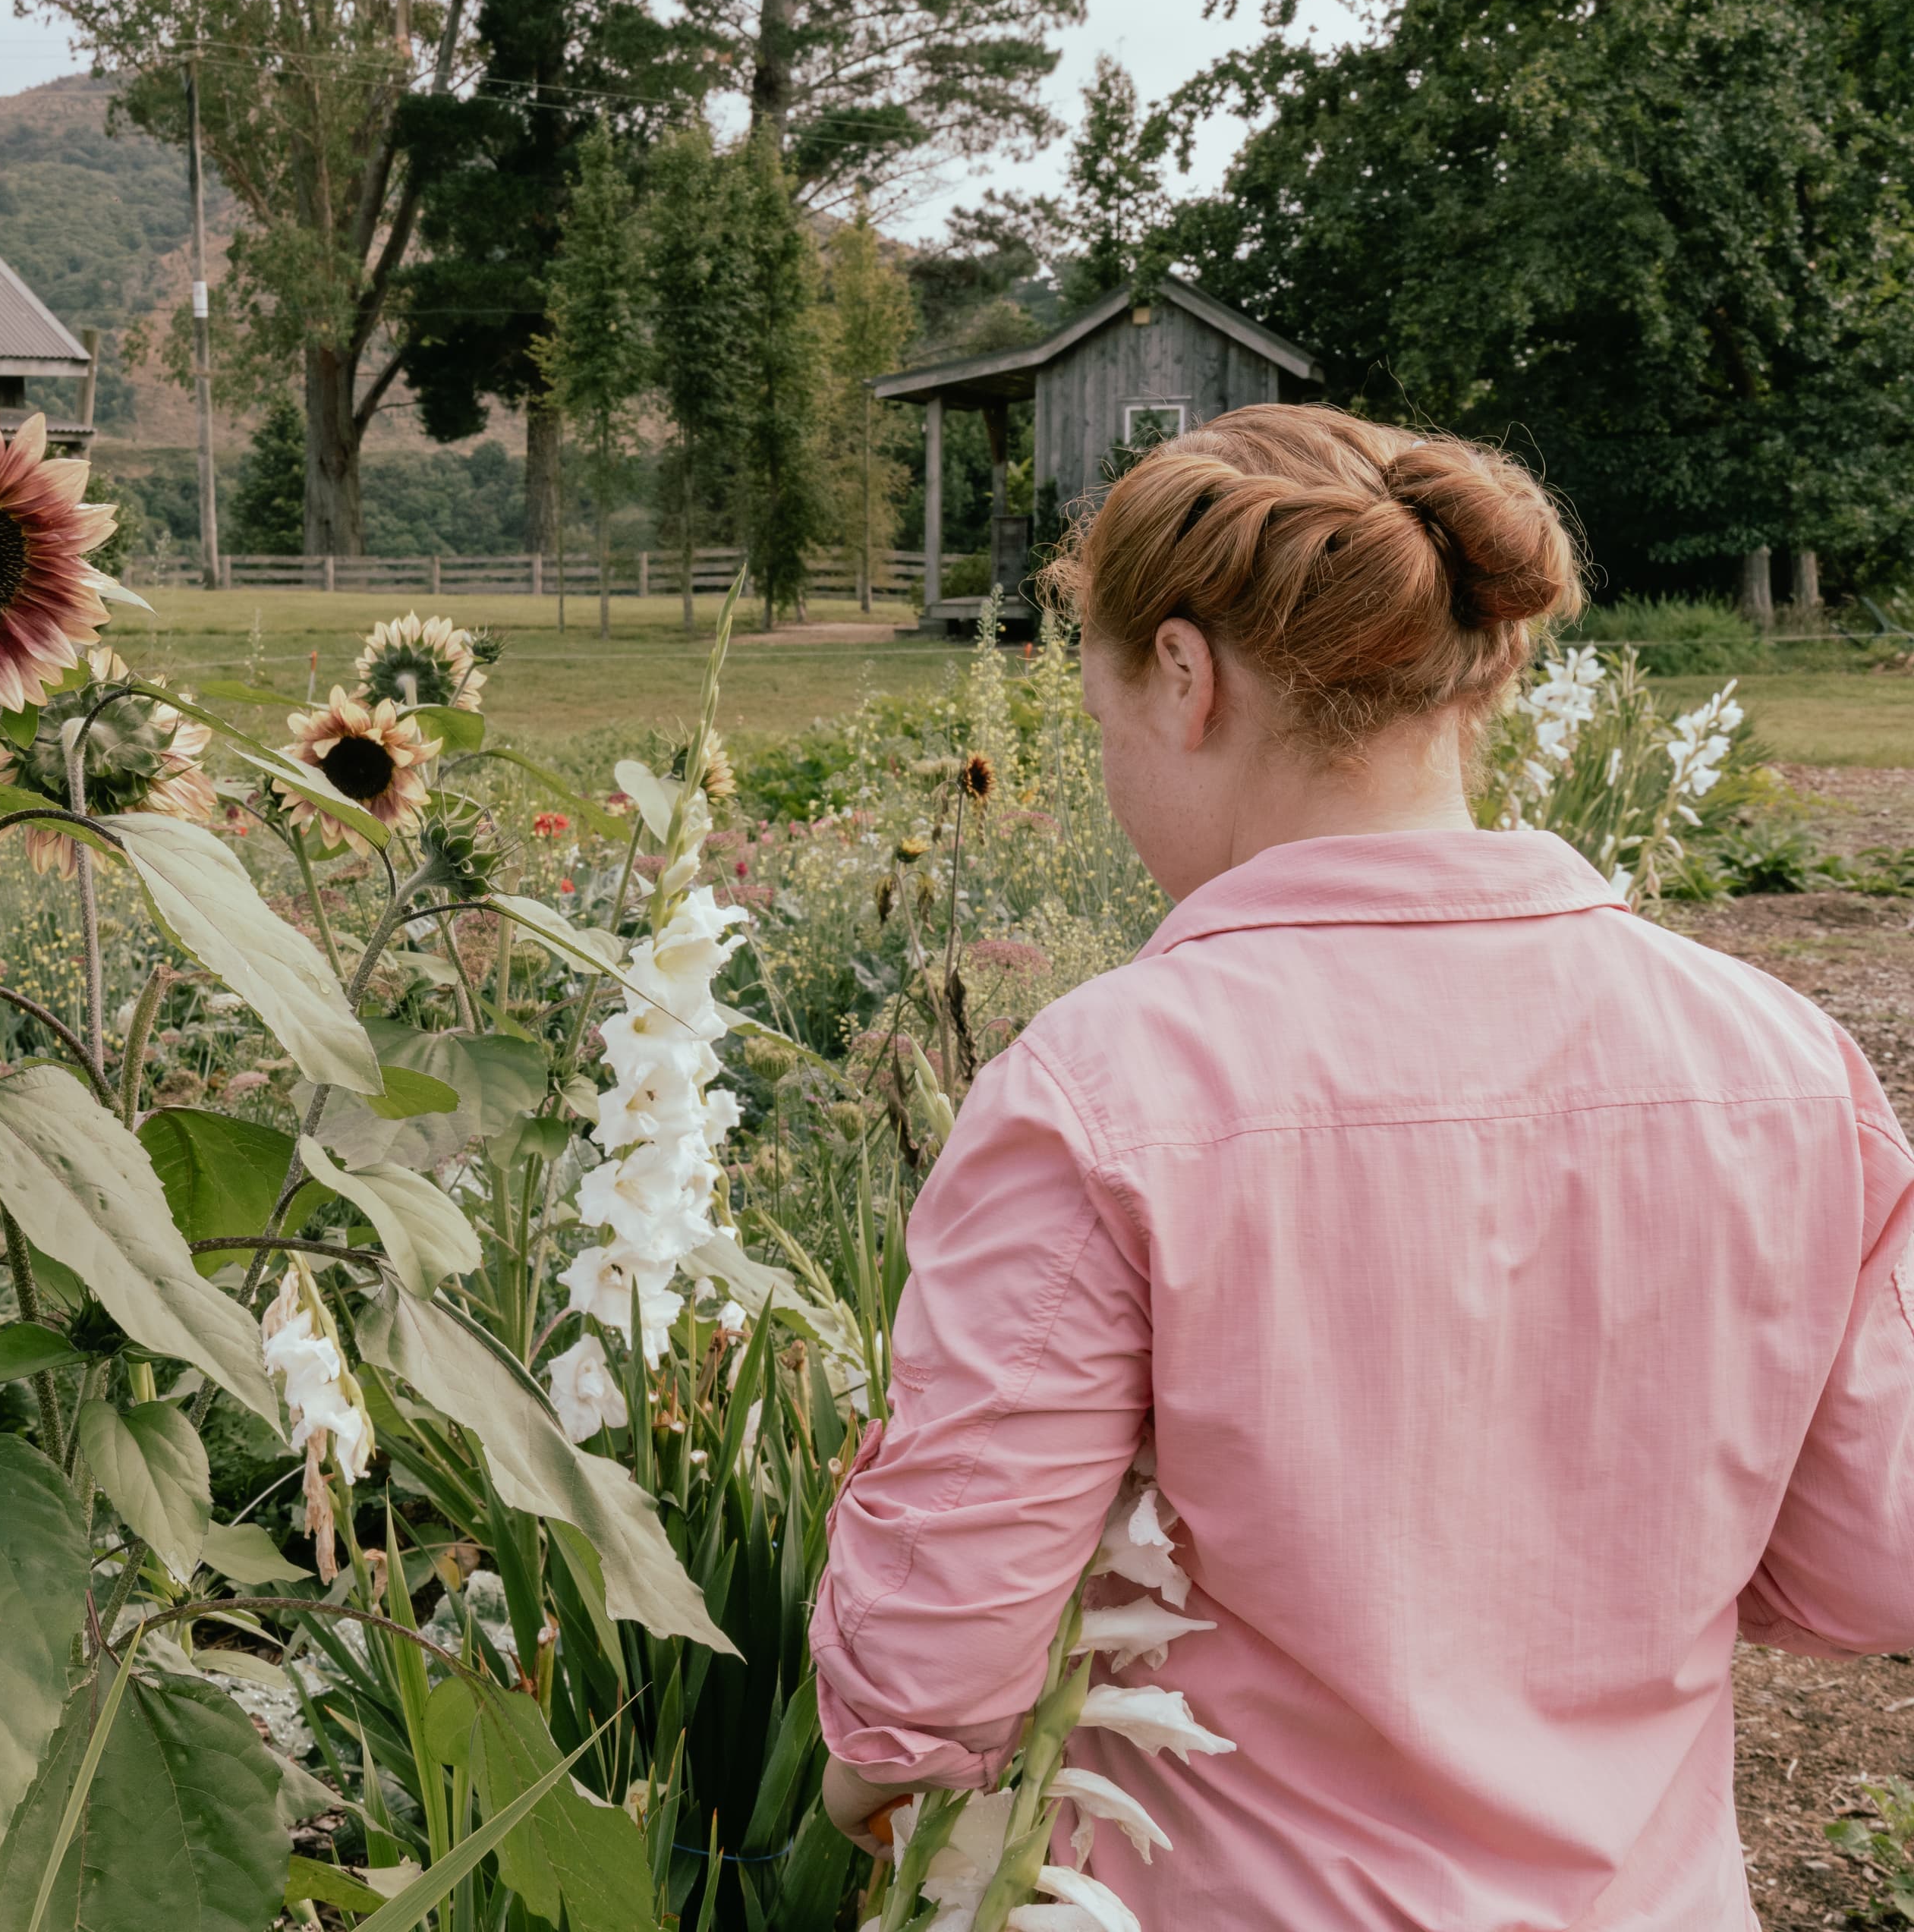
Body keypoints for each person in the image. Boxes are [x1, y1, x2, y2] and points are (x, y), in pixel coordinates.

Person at [809, 404, 1914, 1928]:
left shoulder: (1105, 1091)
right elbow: (1869, 1569)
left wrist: (859, 1781)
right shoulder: (1786, 1064)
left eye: (1106, 701)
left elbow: (933, 1673)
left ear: (1185, 678)